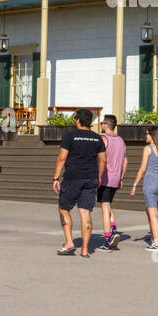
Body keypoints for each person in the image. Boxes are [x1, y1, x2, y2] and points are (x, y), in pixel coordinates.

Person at [53, 108, 106, 256]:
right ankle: (84, 249)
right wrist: (99, 177)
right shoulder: (97, 138)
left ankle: (69, 243)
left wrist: (56, 178)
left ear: (78, 120)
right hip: (90, 178)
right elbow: (103, 160)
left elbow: (62, 158)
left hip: (72, 178)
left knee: (64, 209)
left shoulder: (70, 137)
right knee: (85, 212)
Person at [129, 127, 158, 252]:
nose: (145, 136)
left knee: (153, 214)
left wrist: (134, 185)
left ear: (152, 135)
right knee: (150, 211)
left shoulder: (147, 149)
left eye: (146, 134)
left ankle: (156, 243)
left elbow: (142, 169)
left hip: (151, 183)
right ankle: (153, 237)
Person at [97, 114, 128, 250]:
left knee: (104, 207)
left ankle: (107, 238)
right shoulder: (121, 140)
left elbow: (99, 159)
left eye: (102, 123)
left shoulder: (104, 139)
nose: (101, 125)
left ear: (107, 125)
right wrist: (121, 177)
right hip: (116, 178)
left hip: (105, 177)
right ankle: (114, 229)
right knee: (108, 204)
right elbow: (125, 161)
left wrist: (97, 175)